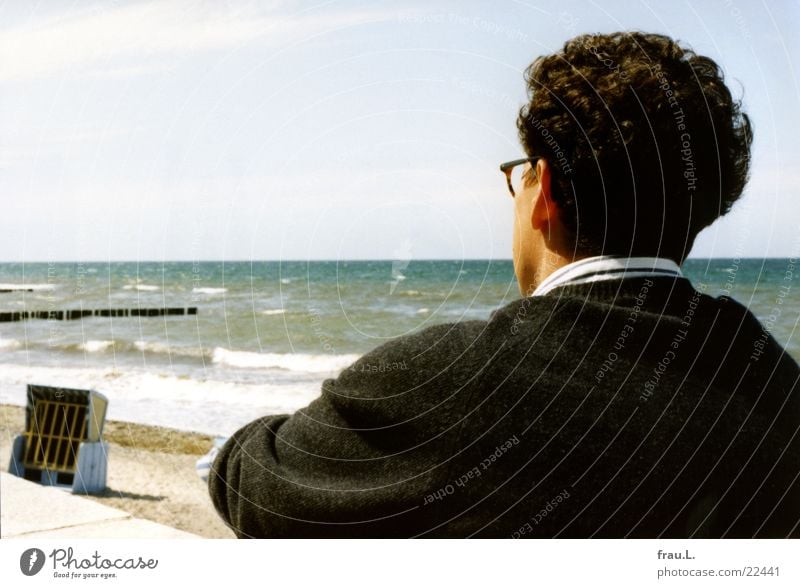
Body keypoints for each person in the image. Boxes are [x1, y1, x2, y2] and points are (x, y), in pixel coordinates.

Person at [208, 31, 799, 538]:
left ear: (543, 190)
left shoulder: (443, 380)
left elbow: (257, 483)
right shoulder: (773, 384)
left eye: (517, 175)